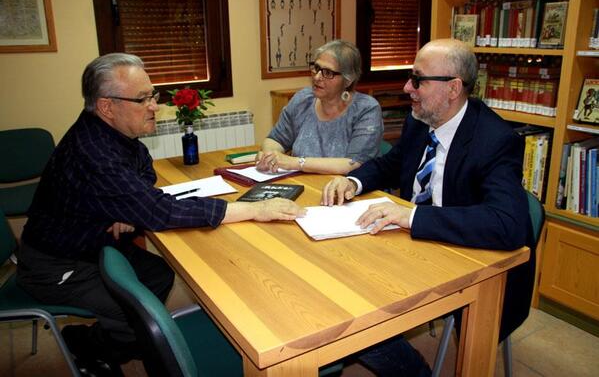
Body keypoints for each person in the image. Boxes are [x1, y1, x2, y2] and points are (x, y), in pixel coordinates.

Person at [16, 53, 305, 376]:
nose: (155, 105)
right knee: (137, 320)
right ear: (107, 107)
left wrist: (126, 204)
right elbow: (159, 211)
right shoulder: (93, 152)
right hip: (57, 264)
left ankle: (109, 338)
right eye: (143, 99)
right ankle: (87, 344)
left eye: (152, 95)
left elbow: (144, 170)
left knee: (159, 274)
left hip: (94, 243)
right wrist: (254, 209)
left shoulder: (115, 134)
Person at [322, 39, 533, 376]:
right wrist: (354, 182)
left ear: (453, 88)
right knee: (335, 280)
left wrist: (412, 216)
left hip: (463, 257)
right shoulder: (420, 121)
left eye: (418, 79)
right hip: (411, 246)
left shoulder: (495, 140)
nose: (408, 87)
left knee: (354, 308)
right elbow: (391, 164)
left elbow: (508, 224)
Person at [256, 39, 383, 175]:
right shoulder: (303, 99)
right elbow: (276, 139)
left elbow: (353, 164)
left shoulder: (366, 109)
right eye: (316, 68)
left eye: (328, 73)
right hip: (305, 184)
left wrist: (295, 162)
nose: (317, 77)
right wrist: (270, 156)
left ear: (348, 79)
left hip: (347, 190)